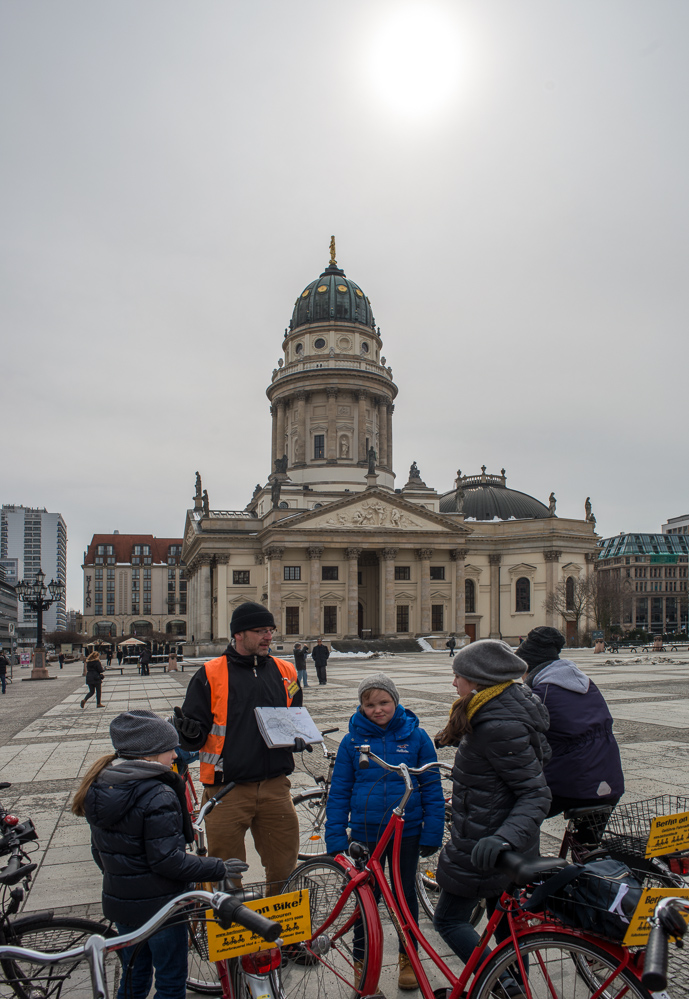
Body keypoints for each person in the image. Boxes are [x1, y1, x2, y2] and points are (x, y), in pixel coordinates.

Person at [71, 709, 245, 999]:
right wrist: (218, 868)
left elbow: (98, 852)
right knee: (170, 981)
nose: (175, 756)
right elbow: (168, 861)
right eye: (169, 749)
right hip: (163, 909)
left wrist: (124, 880)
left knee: (133, 976)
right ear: (150, 753)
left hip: (121, 904)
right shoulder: (157, 793)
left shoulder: (100, 785)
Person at [433, 640, 551, 992]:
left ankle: (504, 987)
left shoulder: (497, 724)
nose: (455, 683)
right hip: (503, 841)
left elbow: (535, 792)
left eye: (459, 676)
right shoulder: (499, 710)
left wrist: (503, 838)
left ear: (478, 681)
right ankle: (517, 988)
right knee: (510, 931)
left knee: (450, 921)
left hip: (488, 845)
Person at [172, 601, 307, 887]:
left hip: (275, 787)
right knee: (224, 876)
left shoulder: (287, 672)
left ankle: (281, 929)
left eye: (270, 630)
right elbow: (194, 736)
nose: (269, 636)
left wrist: (297, 738)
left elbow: (296, 716)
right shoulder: (210, 674)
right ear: (239, 635)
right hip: (226, 790)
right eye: (260, 631)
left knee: (285, 870)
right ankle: (231, 930)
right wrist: (188, 734)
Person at [325, 673, 445, 990]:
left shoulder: (417, 737)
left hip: (406, 832)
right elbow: (338, 792)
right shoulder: (352, 742)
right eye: (370, 705)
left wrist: (433, 831)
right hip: (365, 834)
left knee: (405, 897)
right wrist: (336, 837)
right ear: (361, 707)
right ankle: (362, 964)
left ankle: (409, 957)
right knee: (366, 902)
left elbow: (432, 787)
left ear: (395, 701)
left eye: (384, 703)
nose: (377, 710)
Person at [515, 627, 624, 842]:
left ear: (530, 667)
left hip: (573, 784)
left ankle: (525, 871)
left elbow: (516, 734)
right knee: (589, 851)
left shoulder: (541, 693)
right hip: (609, 780)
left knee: (513, 819)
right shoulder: (585, 684)